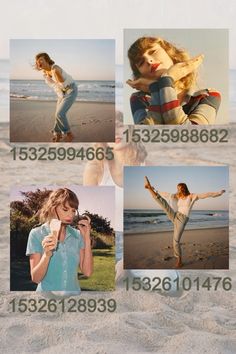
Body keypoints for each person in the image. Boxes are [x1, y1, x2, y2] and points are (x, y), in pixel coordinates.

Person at [127, 37, 221, 125]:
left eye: (153, 51)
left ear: (170, 54)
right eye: (141, 62)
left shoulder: (208, 96)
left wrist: (167, 79)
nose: (148, 60)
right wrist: (157, 87)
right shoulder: (139, 99)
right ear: (140, 74)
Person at [144, 176, 225, 268]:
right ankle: (149, 188)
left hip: (182, 220)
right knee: (163, 203)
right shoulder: (177, 196)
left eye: (180, 188)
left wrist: (218, 193)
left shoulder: (191, 196)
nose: (179, 190)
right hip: (175, 215)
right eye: (178, 189)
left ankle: (179, 261)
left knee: (175, 241)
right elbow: (166, 195)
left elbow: (206, 195)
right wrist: (156, 190)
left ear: (184, 188)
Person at [26, 188, 93, 292]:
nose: (71, 215)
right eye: (65, 209)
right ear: (53, 208)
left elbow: (87, 272)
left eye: (73, 210)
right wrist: (47, 255)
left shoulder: (77, 235)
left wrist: (87, 238)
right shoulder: (36, 234)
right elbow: (35, 278)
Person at [35, 53, 78, 142]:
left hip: (71, 89)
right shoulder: (45, 73)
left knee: (60, 114)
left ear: (47, 60)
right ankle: (58, 134)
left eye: (41, 60)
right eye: (37, 61)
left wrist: (56, 74)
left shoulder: (55, 69)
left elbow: (62, 83)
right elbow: (55, 86)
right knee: (57, 115)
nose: (39, 62)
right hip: (61, 92)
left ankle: (69, 134)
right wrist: (60, 95)